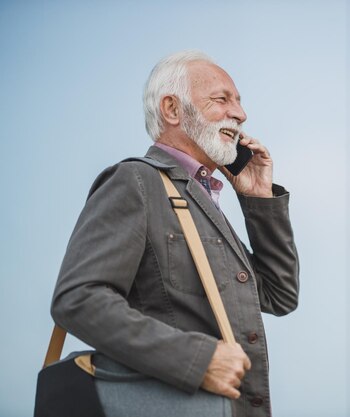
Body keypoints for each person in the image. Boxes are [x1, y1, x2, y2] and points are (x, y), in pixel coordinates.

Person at [50, 50, 299, 417]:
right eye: (222, 99)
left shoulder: (202, 199)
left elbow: (280, 296)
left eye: (240, 102)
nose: (241, 114)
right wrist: (199, 361)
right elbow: (78, 298)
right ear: (172, 109)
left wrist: (258, 199)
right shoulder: (136, 181)